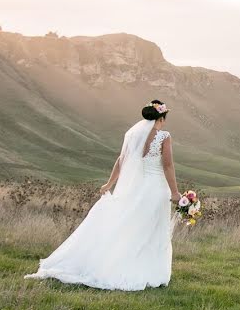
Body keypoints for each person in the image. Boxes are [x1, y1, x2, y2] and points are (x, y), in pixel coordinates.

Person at [25, 100, 179, 290]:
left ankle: (129, 266)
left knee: (132, 228)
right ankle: (148, 271)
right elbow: (168, 165)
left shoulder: (132, 136)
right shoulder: (164, 136)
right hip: (155, 189)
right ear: (161, 118)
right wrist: (175, 192)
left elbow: (121, 160)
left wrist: (109, 184)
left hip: (136, 190)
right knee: (152, 230)